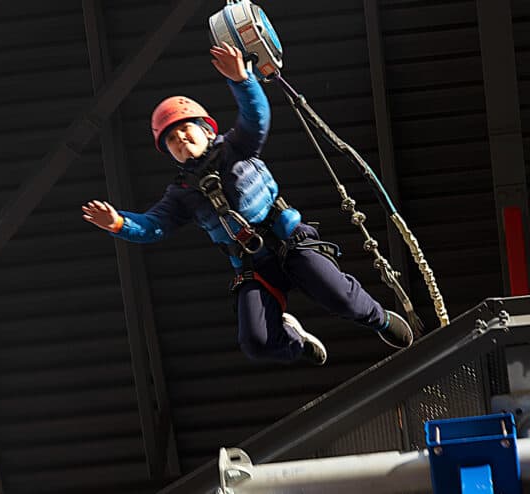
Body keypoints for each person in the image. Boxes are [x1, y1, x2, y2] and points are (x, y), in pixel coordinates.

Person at [82, 42, 413, 365]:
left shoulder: (236, 148)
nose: (180, 139)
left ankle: (379, 319)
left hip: (290, 243)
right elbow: (154, 226)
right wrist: (120, 223)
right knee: (256, 342)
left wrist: (242, 80)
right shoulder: (181, 193)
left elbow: (256, 117)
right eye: (171, 139)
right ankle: (294, 342)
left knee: (340, 297)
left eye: (185, 130)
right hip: (254, 267)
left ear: (207, 131)